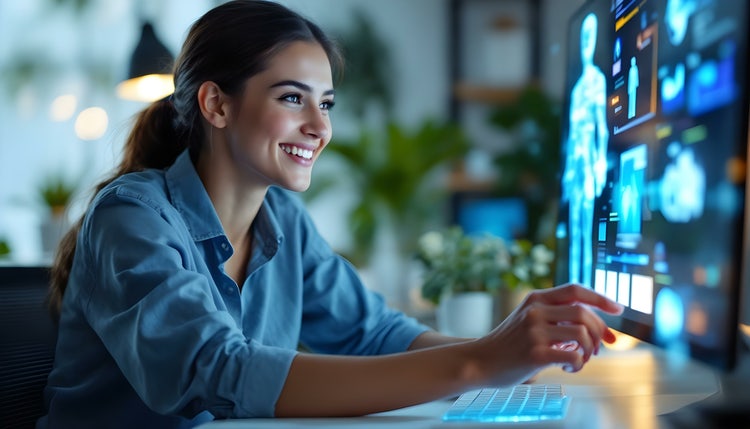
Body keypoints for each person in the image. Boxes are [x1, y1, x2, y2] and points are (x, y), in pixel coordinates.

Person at [38, 1, 623, 427]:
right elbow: (216, 370)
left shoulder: (284, 223)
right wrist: (477, 363)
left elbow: (375, 334)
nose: (320, 128)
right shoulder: (133, 216)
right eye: (292, 98)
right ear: (216, 103)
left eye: (326, 103)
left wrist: (505, 355)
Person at [562, 12, 609, 289]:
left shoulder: (597, 80)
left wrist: (601, 162)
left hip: (589, 167)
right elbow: (570, 138)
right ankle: (572, 292)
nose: (585, 44)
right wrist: (568, 174)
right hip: (575, 169)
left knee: (587, 233)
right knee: (574, 234)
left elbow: (601, 126)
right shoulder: (578, 87)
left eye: (590, 38)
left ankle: (586, 293)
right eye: (583, 38)